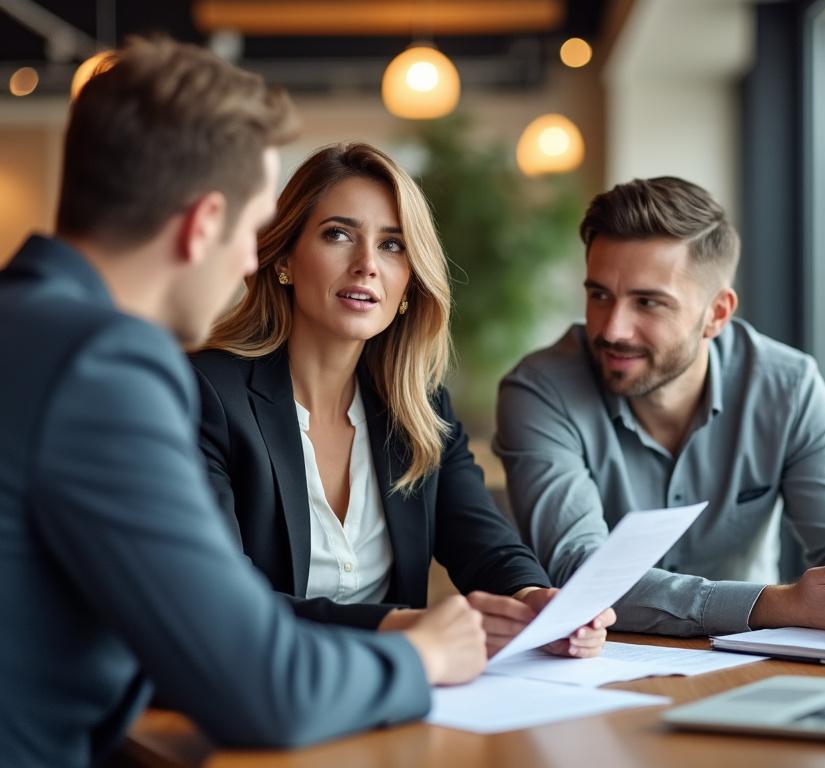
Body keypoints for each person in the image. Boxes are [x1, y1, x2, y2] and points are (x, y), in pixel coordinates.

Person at [0, 38, 489, 768]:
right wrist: (419, 652)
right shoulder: (105, 366)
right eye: (251, 228)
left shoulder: (25, 326)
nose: (249, 262)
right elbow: (264, 690)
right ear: (202, 226)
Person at [191, 142, 615, 659]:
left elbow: (485, 543)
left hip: (398, 701)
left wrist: (536, 602)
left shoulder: (420, 404)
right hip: (265, 692)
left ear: (410, 282)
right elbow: (223, 601)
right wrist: (404, 626)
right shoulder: (208, 393)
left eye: (392, 245)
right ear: (283, 260)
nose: (366, 264)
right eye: (338, 234)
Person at [495, 176, 825, 639]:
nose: (613, 328)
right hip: (595, 665)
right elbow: (581, 571)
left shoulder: (787, 387)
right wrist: (776, 604)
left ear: (717, 313)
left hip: (749, 664)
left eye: (648, 302)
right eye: (600, 295)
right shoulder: (540, 391)